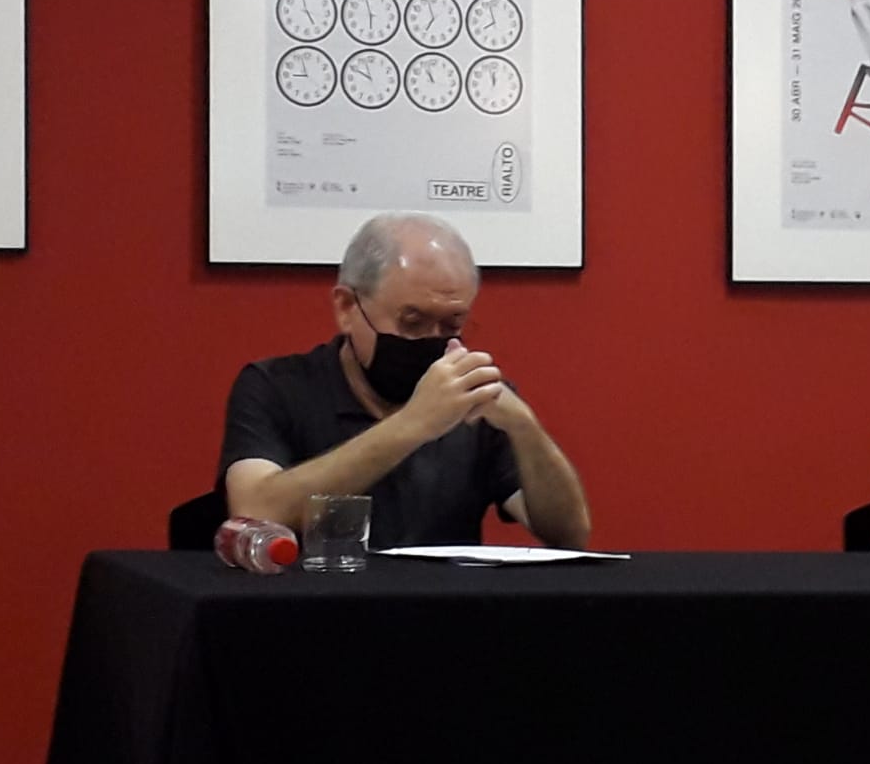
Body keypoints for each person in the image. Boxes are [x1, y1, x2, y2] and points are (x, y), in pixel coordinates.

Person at [217, 212, 590, 550]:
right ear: (347, 308)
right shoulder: (275, 386)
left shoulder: (475, 399)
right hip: (313, 600)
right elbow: (255, 511)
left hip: (444, 600)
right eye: (412, 323)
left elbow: (568, 534)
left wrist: (526, 429)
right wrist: (415, 423)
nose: (431, 339)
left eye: (452, 325)